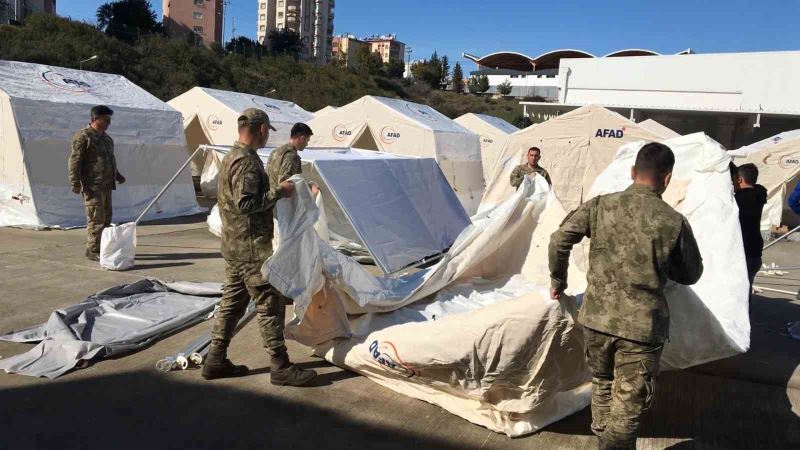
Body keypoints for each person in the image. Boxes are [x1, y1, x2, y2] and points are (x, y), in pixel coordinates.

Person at [548, 142, 704, 450]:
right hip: (641, 329)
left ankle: (603, 440)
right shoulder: (673, 222)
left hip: (596, 321)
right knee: (628, 407)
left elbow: (558, 240)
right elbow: (691, 274)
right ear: (667, 177)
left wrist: (558, 280)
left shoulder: (600, 205)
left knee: (603, 386)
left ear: (633, 172)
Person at [202, 108, 317, 386]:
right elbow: (246, 204)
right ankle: (280, 365)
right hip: (252, 250)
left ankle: (215, 359)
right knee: (270, 304)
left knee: (232, 305)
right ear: (262, 128)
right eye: (268, 131)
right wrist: (281, 191)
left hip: (234, 247)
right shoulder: (246, 162)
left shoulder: (231, 156)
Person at [68, 105, 126, 261]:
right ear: (95, 119)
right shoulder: (83, 136)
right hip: (92, 185)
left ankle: (103, 247)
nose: (108, 123)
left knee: (106, 219)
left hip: (107, 185)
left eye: (109, 120)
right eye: (105, 119)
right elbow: (75, 160)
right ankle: (93, 249)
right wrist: (75, 182)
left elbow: (109, 160)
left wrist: (117, 175)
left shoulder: (107, 139)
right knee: (96, 219)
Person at [733, 163, 768, 290]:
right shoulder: (759, 194)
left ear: (740, 179)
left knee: (738, 293)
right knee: (746, 289)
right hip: (755, 251)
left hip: (743, 252)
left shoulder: (739, 200)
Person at [267, 123, 313, 189]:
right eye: (307, 141)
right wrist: (309, 186)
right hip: (280, 198)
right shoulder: (292, 156)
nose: (307, 144)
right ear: (302, 138)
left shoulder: (275, 151)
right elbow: (286, 184)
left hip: (269, 196)